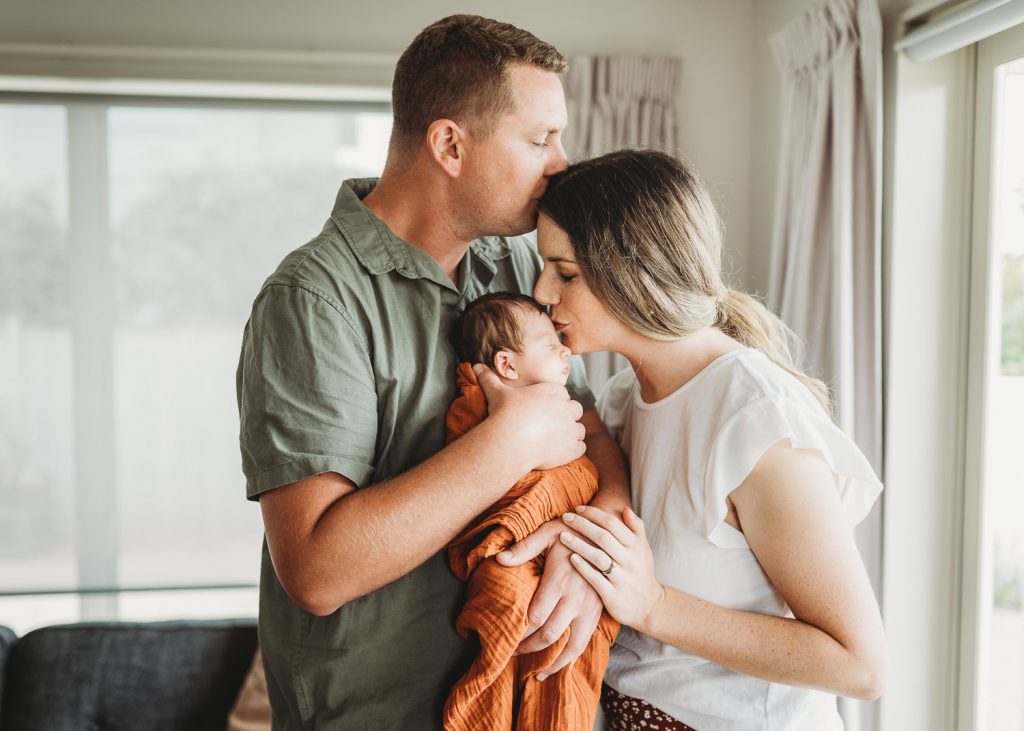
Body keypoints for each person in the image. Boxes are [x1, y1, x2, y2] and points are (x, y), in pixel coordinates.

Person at [234, 15, 629, 731]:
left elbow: (591, 435)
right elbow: (318, 571)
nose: (562, 163)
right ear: (449, 144)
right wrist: (507, 443)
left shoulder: (518, 268)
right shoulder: (312, 300)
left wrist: (593, 545)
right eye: (540, 139)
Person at [498, 149, 888, 730]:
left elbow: (860, 665)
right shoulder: (626, 400)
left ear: (634, 268)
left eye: (566, 272)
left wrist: (654, 605)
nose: (542, 292)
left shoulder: (754, 420)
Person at [443, 292, 618, 730]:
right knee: (512, 603)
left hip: (568, 543)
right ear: (507, 366)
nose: (565, 349)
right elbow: (475, 469)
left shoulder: (563, 404)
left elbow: (589, 456)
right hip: (514, 547)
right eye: (548, 343)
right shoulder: (478, 406)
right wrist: (514, 437)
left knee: (566, 654)